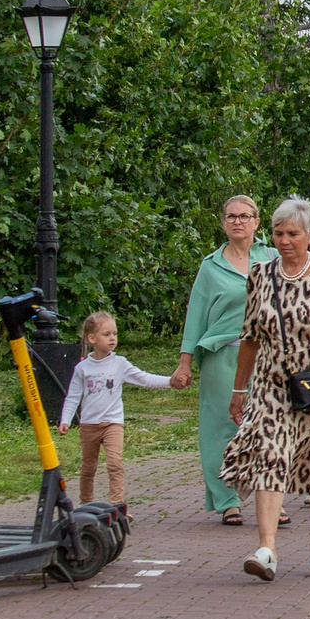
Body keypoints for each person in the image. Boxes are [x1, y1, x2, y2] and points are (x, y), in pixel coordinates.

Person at [223, 197, 310, 580]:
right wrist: (239, 390)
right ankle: (266, 548)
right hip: (271, 384)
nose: (285, 241)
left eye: (293, 234)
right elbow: (250, 336)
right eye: (279, 233)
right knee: (269, 454)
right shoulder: (260, 276)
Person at [177, 196, 277, 526]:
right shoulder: (211, 266)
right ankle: (227, 499)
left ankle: (270, 496)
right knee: (222, 426)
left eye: (244, 216)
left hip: (265, 353)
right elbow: (195, 316)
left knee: (267, 426)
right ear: (223, 223)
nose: (237, 221)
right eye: (231, 216)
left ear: (256, 222)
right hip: (222, 353)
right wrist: (184, 362)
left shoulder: (271, 258)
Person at [54, 311, 174, 506]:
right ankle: (86, 504)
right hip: (89, 425)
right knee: (88, 468)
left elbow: (144, 378)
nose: (112, 338)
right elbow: (73, 396)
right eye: (106, 334)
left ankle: (117, 505)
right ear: (91, 338)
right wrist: (65, 420)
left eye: (115, 334)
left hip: (113, 424)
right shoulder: (82, 368)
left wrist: (170, 381)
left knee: (115, 464)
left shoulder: (120, 364)